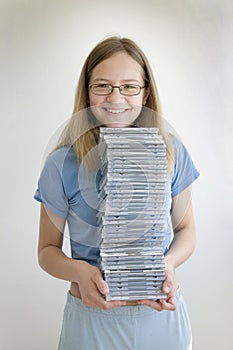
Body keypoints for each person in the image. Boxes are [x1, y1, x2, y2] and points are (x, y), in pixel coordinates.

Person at [34, 36, 199, 350]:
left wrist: (169, 264)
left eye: (129, 86)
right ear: (87, 92)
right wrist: (81, 272)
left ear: (145, 92)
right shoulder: (61, 163)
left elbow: (186, 230)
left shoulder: (171, 152)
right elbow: (46, 251)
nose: (116, 98)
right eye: (102, 85)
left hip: (162, 318)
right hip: (91, 321)